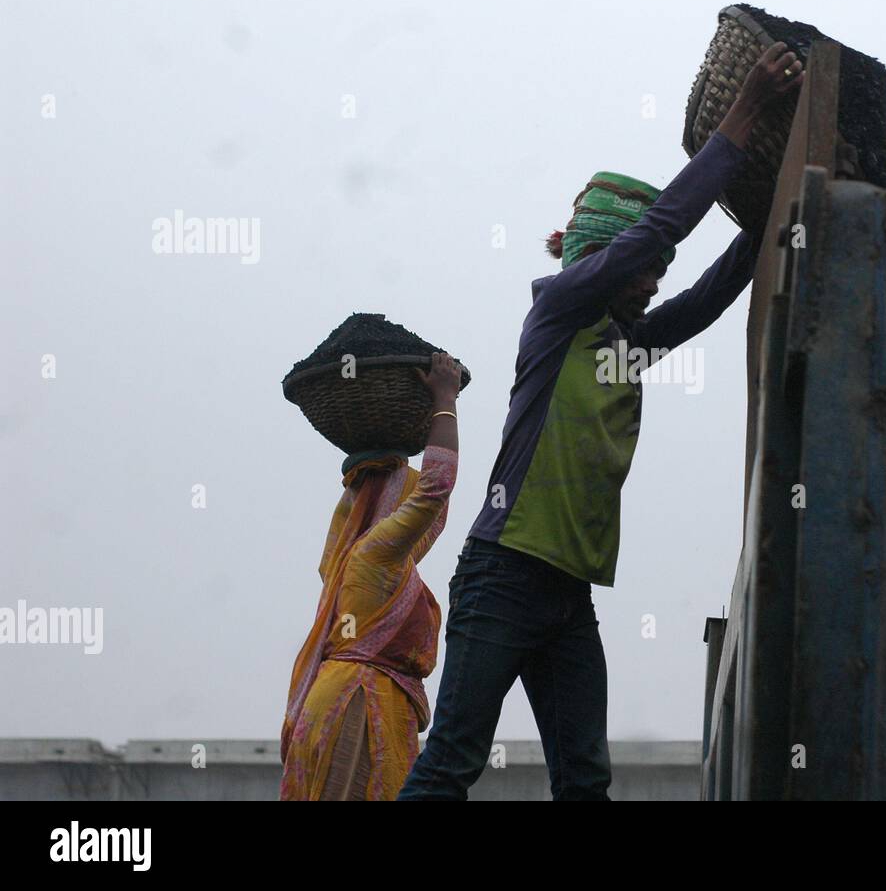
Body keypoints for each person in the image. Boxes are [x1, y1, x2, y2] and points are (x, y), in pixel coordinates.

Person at [398, 42, 803, 801]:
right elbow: (658, 234)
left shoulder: (627, 344)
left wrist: (774, 204)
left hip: (566, 594)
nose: (655, 284)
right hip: (504, 575)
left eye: (655, 275)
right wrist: (746, 107)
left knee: (585, 782)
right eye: (643, 271)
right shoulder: (560, 314)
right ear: (601, 260)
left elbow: (710, 295)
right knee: (452, 762)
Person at [280, 352, 463, 800]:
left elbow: (433, 514)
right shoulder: (374, 557)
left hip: (347, 702)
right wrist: (444, 398)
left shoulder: (350, 563)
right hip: (357, 709)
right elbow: (436, 489)